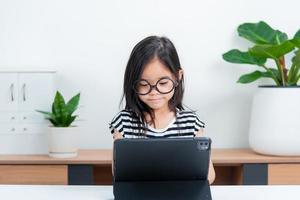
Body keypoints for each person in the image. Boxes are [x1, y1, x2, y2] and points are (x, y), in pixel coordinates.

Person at [109, 36, 215, 184]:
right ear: (132, 82)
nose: (154, 92)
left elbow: (208, 175)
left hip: (182, 193)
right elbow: (119, 172)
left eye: (163, 83)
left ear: (178, 77)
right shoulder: (124, 122)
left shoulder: (191, 123)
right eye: (144, 84)